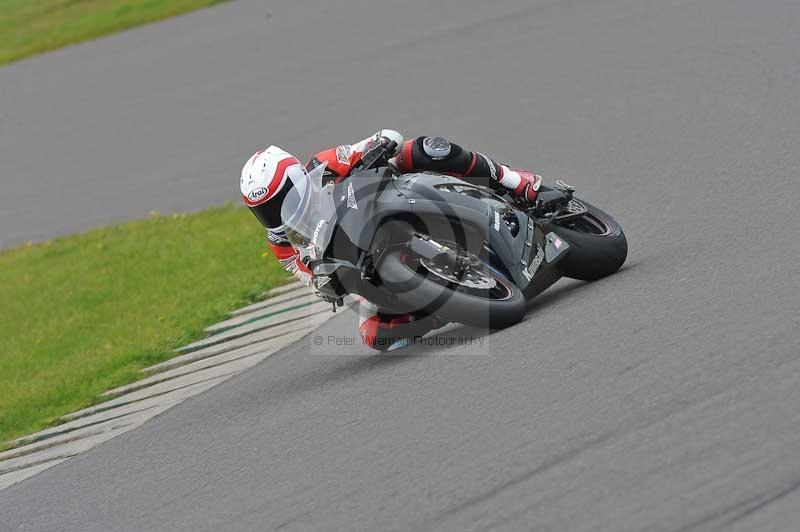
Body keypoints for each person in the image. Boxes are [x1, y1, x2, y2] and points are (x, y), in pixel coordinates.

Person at [240, 130, 542, 351]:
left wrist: (380, 143)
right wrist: (325, 285)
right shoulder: (281, 244)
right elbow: (314, 281)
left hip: (386, 198)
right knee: (375, 335)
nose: (275, 212)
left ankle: (511, 180)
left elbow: (377, 140)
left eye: (278, 199)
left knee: (424, 149)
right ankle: (443, 304)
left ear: (296, 176)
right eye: (264, 210)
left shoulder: (325, 163)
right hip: (361, 256)